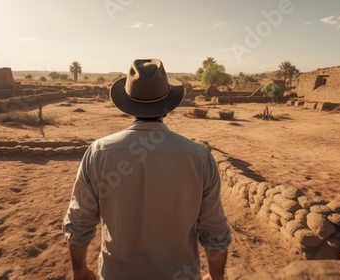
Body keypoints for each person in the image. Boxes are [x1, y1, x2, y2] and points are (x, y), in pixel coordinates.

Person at [62, 59, 231, 280]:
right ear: (167, 107)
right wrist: (216, 275)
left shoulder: (99, 152)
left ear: (128, 105)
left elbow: (79, 222)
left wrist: (79, 270)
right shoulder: (199, 156)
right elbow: (214, 229)